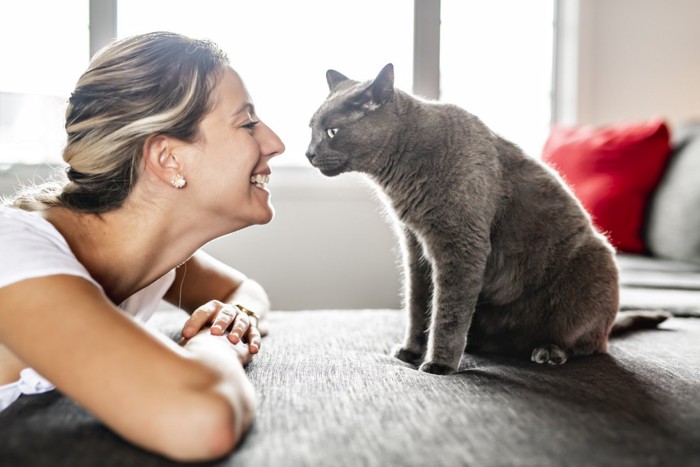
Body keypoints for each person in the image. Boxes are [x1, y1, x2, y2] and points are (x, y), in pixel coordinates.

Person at [0, 31, 284, 461]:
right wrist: (217, 343)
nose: (275, 143)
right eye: (247, 124)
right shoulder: (14, 253)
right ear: (168, 158)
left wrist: (233, 317)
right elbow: (202, 420)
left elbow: (241, 291)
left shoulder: (150, 258)